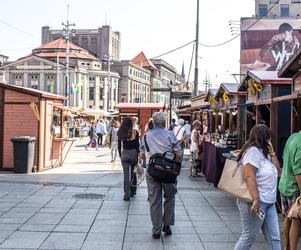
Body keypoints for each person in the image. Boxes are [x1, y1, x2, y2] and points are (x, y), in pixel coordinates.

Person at [235, 124, 281, 250]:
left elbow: (278, 171)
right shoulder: (252, 152)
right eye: (268, 136)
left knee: (274, 238)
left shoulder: (264, 153)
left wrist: (272, 153)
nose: (270, 139)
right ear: (263, 136)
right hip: (255, 201)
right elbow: (249, 176)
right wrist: (256, 199)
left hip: (269, 201)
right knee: (249, 237)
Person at [140, 112, 181, 239]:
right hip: (168, 171)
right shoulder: (170, 134)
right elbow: (178, 153)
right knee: (169, 198)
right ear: (164, 122)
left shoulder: (146, 135)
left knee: (154, 200)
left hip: (153, 170)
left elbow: (142, 153)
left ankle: (156, 230)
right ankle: (167, 225)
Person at [278, 130, 301, 250]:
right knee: (296, 220)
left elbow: (284, 157)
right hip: (294, 186)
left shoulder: (293, 137)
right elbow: (299, 170)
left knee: (288, 217)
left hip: (284, 183)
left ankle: (286, 247)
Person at [118, 117, 139, 201]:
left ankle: (126, 194)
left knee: (126, 175)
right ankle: (133, 191)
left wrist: (120, 155)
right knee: (133, 173)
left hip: (125, 153)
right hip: (133, 153)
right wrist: (138, 156)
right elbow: (137, 145)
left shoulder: (120, 132)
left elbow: (119, 146)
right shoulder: (135, 132)